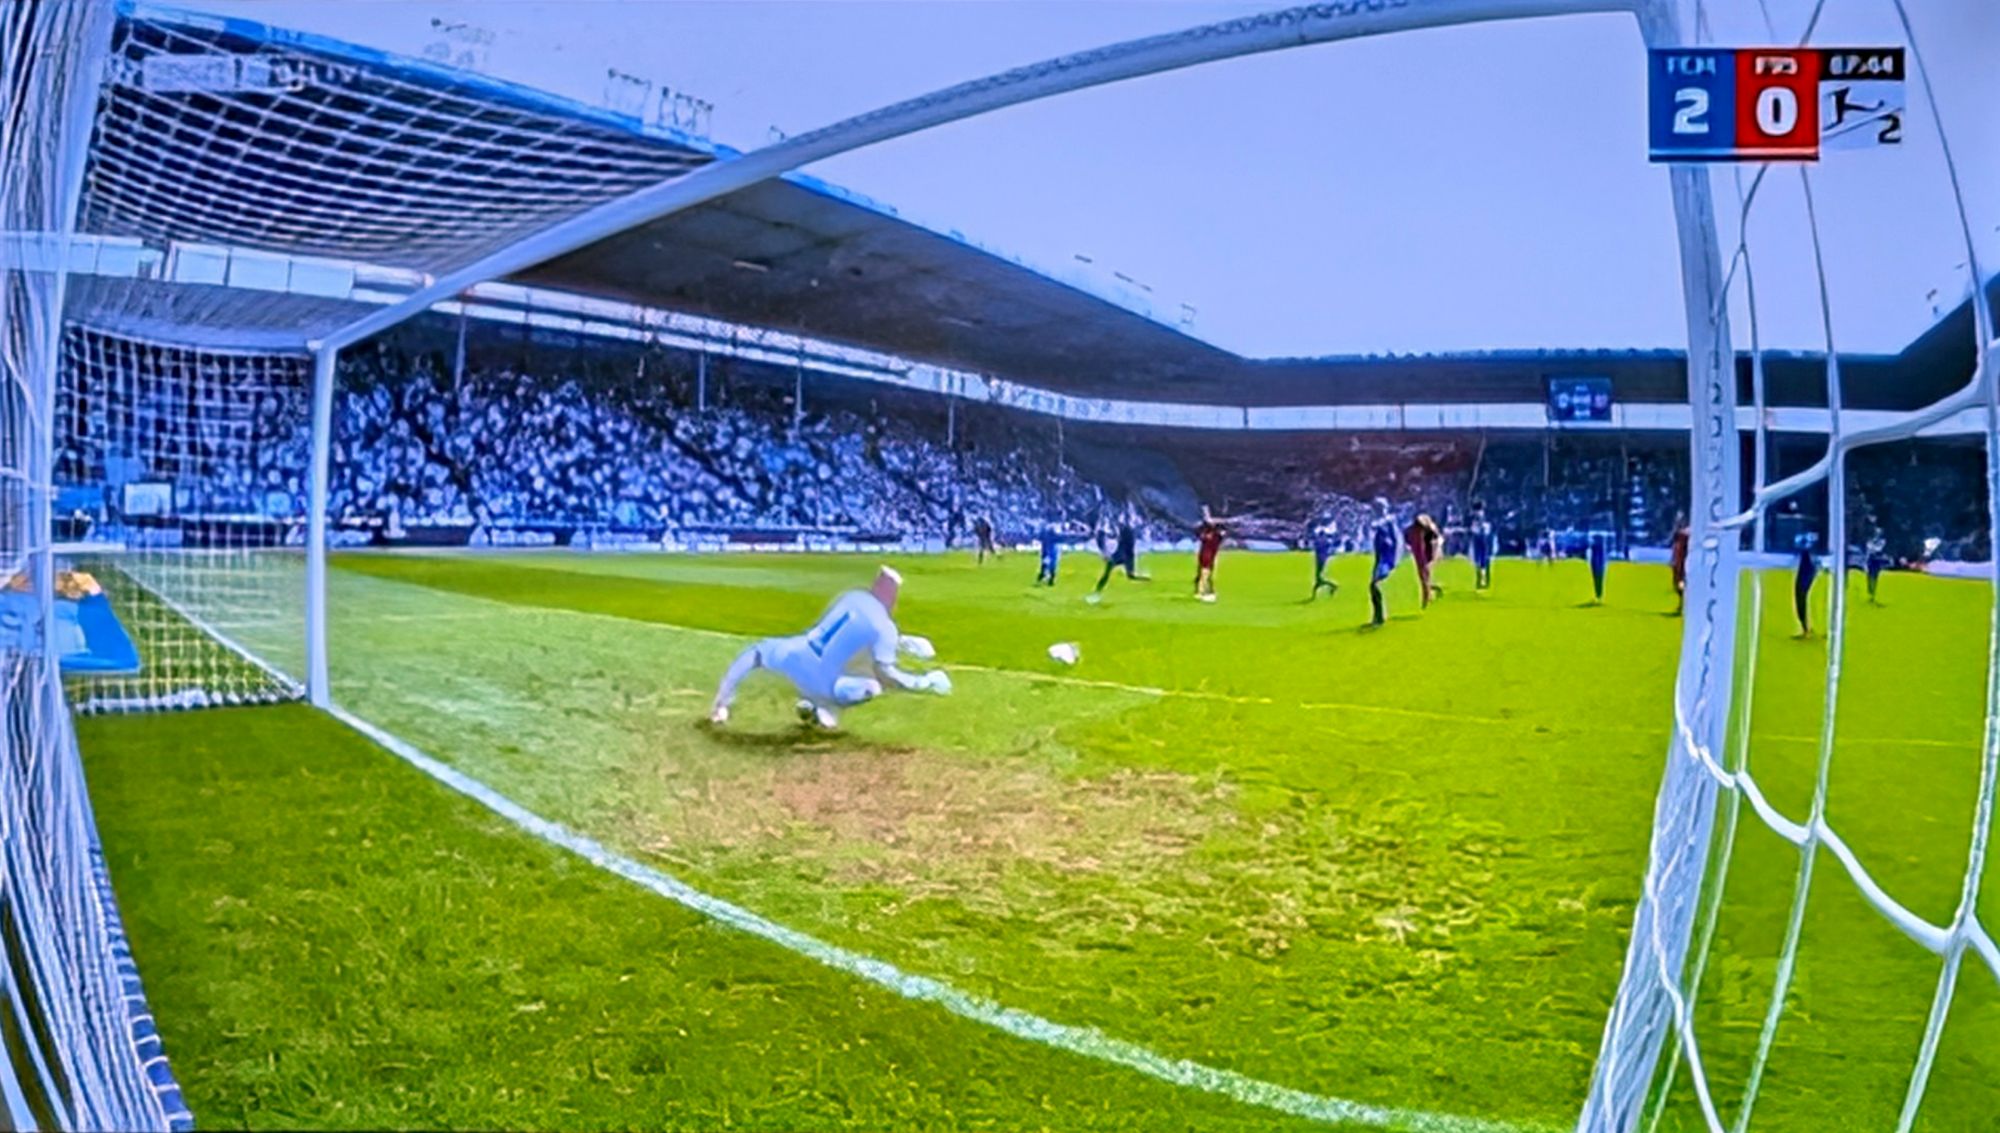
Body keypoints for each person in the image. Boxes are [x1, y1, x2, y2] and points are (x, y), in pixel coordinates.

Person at [708, 565, 951, 730]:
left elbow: (853, 630)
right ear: (892, 596)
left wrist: (901, 641)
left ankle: (720, 705)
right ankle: (823, 706)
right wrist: (924, 682)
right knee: (874, 685)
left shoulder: (853, 597)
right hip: (824, 681)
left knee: (757, 653)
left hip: (797, 653)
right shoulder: (884, 627)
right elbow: (887, 675)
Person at [1089, 510, 1151, 603]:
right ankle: (1096, 594)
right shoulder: (1131, 530)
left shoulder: (1126, 530)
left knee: (1109, 573)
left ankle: (1096, 594)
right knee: (1129, 576)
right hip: (1128, 555)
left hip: (1123, 554)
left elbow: (1118, 532)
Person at [1367, 498, 1399, 627]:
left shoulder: (1389, 520)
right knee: (1373, 587)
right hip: (1380, 557)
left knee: (1374, 585)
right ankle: (1378, 616)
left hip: (1386, 558)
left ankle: (1379, 617)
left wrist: (1392, 559)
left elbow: (1393, 540)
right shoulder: (1385, 521)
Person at [1193, 506, 1233, 603]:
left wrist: (1213, 521)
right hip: (1205, 555)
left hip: (1212, 555)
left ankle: (1204, 591)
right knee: (1204, 574)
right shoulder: (1207, 535)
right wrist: (1208, 521)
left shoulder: (1216, 535)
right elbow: (1197, 529)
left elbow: (1224, 530)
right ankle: (1203, 592)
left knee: (1208, 574)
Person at [1403, 512, 1442, 607]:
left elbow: (1437, 541)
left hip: (1430, 553)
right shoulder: (1411, 531)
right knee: (1423, 577)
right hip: (1420, 555)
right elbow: (1409, 542)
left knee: (1425, 575)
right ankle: (1431, 592)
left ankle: (1426, 598)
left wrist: (1435, 553)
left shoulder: (1431, 530)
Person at [1794, 532, 1820, 636]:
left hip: (1805, 577)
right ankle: (1805, 627)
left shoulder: (1808, 553)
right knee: (1801, 600)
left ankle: (1806, 628)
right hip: (1806, 576)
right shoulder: (1810, 553)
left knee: (1801, 599)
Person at [1309, 518, 1339, 599]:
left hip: (1320, 559)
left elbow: (1318, 548)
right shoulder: (1325, 541)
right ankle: (1313, 595)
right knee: (1318, 577)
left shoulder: (1322, 541)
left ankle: (1333, 586)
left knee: (1319, 577)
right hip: (1321, 558)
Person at [1468, 501, 1494, 591]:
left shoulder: (1477, 516)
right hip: (1483, 537)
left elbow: (1476, 527)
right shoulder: (1482, 515)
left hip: (1480, 537)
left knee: (1480, 559)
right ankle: (1484, 580)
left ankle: (1481, 580)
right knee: (1483, 559)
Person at [1669, 513, 1692, 615]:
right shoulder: (1677, 535)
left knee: (1683, 583)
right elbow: (1674, 548)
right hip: (1677, 561)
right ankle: (1681, 604)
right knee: (1677, 583)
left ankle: (1684, 605)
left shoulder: (1687, 534)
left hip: (1684, 561)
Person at [1035, 519, 1062, 587]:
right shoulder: (1051, 531)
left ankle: (1046, 576)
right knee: (1049, 563)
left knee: (1047, 563)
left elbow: (1040, 538)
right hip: (1051, 550)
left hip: (1050, 550)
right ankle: (1047, 576)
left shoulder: (1048, 532)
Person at [1587, 529, 1612, 604]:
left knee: (1599, 580)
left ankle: (1599, 596)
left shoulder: (1599, 548)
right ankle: (1598, 596)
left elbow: (1600, 558)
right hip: (1596, 564)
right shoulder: (1596, 547)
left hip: (1598, 565)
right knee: (1598, 580)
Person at [1864, 533, 1890, 604]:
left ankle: (1872, 593)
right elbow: (1869, 547)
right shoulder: (1870, 541)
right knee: (1869, 577)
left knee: (1874, 578)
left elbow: (1879, 549)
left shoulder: (1881, 542)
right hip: (1871, 562)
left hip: (1876, 562)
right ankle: (1870, 592)